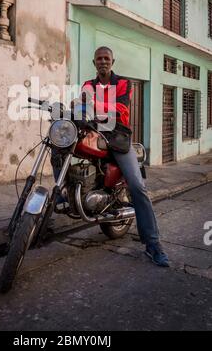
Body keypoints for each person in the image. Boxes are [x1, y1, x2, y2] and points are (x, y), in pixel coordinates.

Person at [52, 46, 169, 267]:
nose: (103, 61)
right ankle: (61, 193)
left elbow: (121, 110)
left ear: (112, 61)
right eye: (99, 59)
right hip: (93, 134)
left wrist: (93, 106)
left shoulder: (123, 83)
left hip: (117, 139)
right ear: (94, 62)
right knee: (58, 147)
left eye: (106, 58)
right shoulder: (89, 85)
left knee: (137, 185)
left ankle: (153, 244)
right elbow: (82, 106)